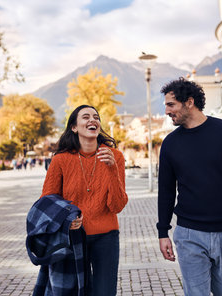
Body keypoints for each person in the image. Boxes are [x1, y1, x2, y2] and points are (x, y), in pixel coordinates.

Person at [157, 78, 222, 296]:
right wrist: (163, 232)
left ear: (190, 102)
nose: (166, 111)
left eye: (171, 104)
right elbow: (166, 191)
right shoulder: (170, 144)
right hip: (188, 234)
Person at [40, 104, 128, 296]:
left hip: (106, 237)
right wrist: (66, 219)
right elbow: (47, 201)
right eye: (86, 117)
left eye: (96, 117)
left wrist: (112, 170)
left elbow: (117, 205)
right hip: (71, 238)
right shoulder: (61, 160)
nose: (92, 120)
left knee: (105, 292)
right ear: (74, 127)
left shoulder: (116, 157)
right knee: (73, 292)